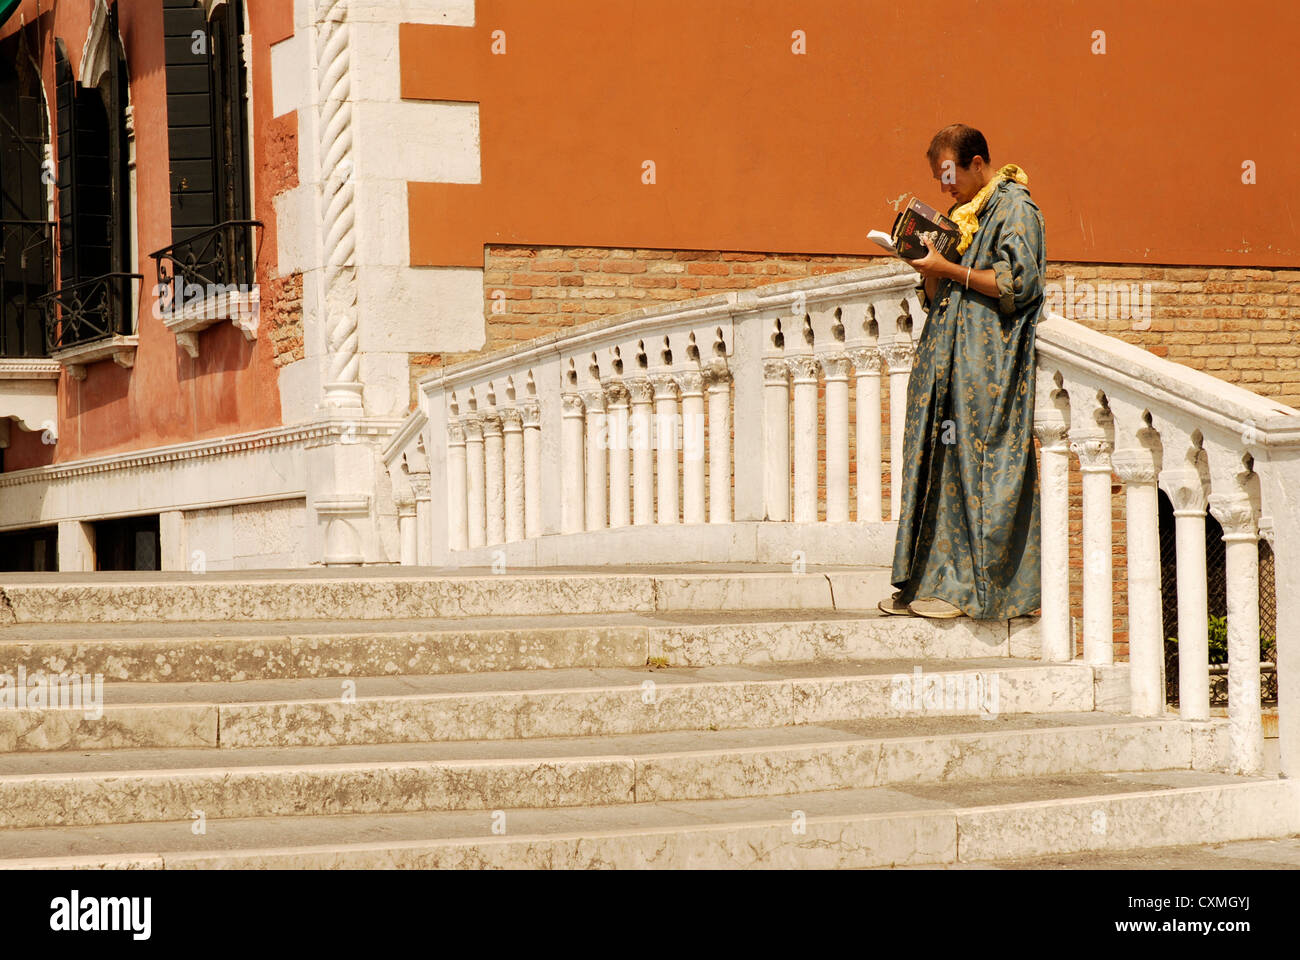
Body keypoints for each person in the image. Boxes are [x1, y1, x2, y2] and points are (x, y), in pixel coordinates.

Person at [878, 124, 1044, 620]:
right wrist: (927, 269)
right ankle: (929, 585)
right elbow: (935, 300)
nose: (944, 186)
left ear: (977, 163)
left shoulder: (1016, 208)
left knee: (979, 473)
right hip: (944, 360)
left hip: (986, 365)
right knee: (935, 469)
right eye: (938, 177)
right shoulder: (956, 216)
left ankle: (972, 594)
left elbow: (1019, 284)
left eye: (948, 173)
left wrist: (948, 270)